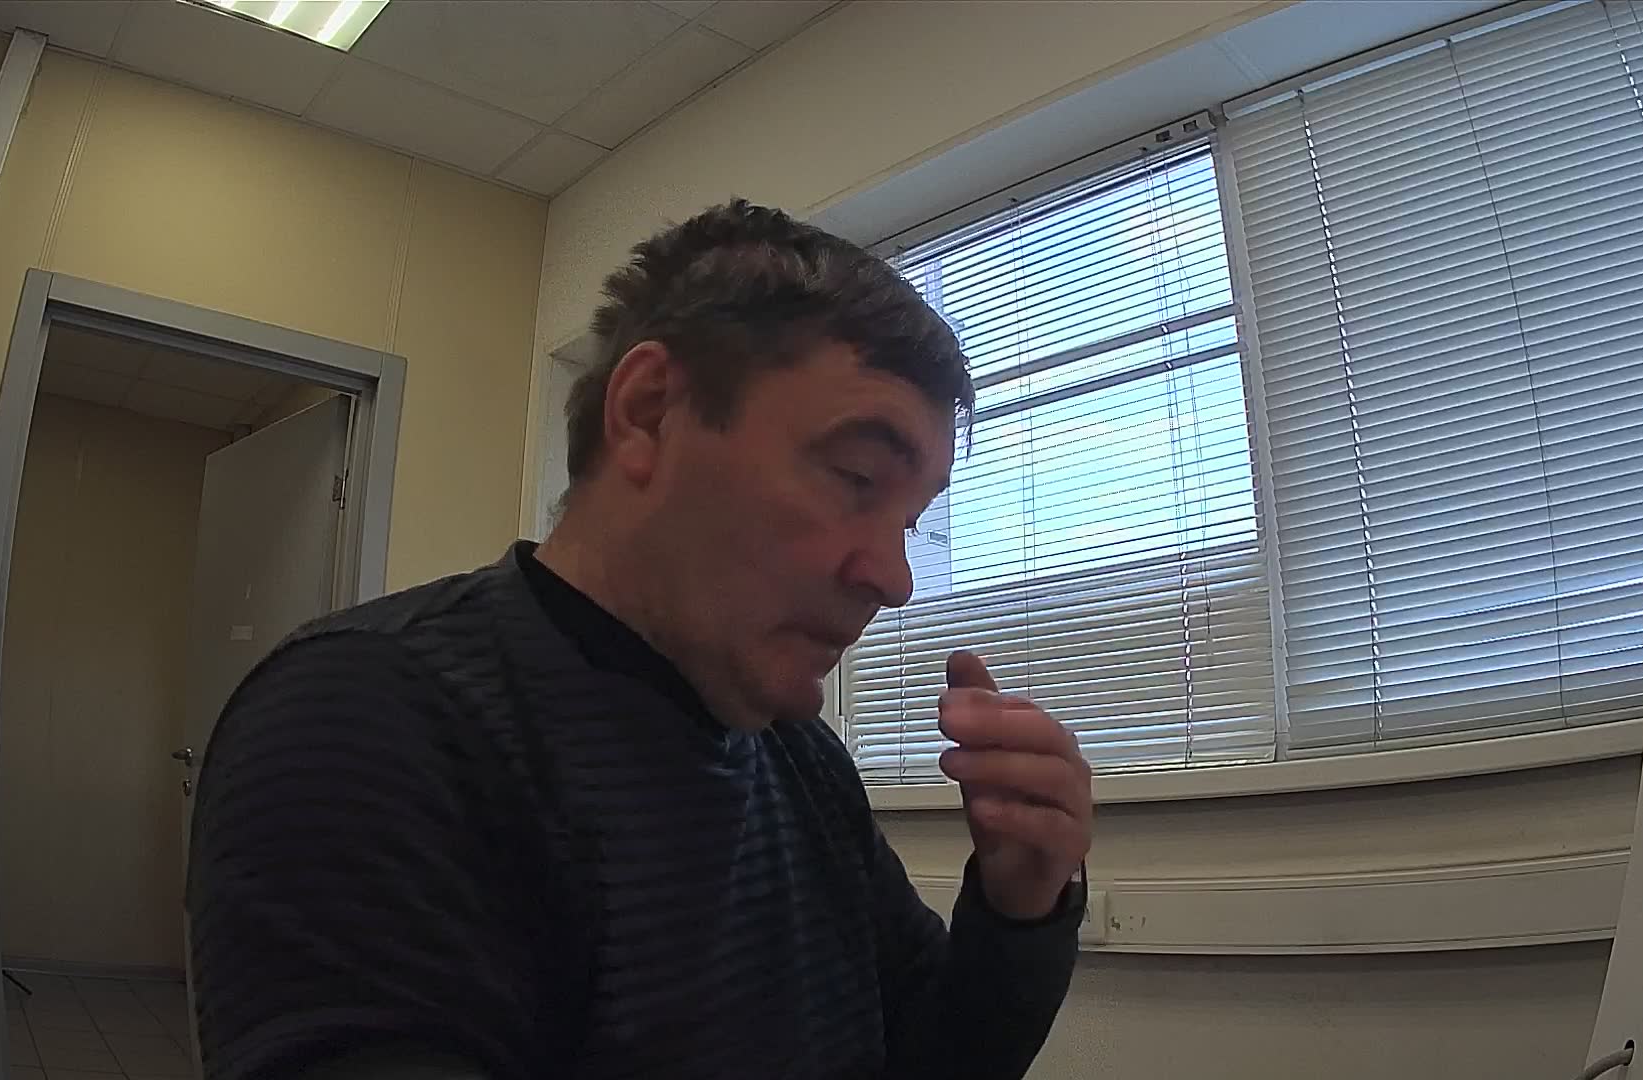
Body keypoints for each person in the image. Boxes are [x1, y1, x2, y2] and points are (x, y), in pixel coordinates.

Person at [186, 199, 1094, 1080]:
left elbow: (931, 1056)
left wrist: (1020, 907)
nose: (895, 580)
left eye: (913, 520)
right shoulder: (367, 719)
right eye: (857, 476)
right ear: (651, 411)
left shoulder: (803, 762)